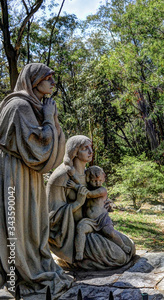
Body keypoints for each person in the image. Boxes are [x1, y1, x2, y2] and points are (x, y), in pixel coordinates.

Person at [0, 63, 73, 298]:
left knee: (31, 222)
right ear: (34, 81)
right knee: (18, 222)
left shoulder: (32, 105)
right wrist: (50, 118)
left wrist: (49, 116)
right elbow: (38, 148)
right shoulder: (19, 105)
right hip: (15, 174)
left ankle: (30, 262)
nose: (53, 82)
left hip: (27, 173)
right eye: (48, 78)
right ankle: (21, 271)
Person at [47, 135, 135, 270]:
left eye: (90, 148)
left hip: (98, 223)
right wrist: (77, 203)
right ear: (74, 152)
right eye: (84, 148)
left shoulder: (89, 174)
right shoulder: (61, 177)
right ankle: (79, 259)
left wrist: (104, 203)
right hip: (75, 234)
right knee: (120, 257)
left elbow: (97, 193)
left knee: (131, 247)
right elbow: (51, 218)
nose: (90, 152)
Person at [69, 166, 131, 261]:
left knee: (110, 233)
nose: (97, 183)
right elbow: (83, 187)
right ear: (88, 179)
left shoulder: (102, 190)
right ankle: (79, 252)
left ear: (103, 179)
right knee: (80, 228)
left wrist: (74, 186)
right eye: (94, 181)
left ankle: (122, 246)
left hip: (102, 219)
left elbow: (89, 194)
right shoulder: (85, 187)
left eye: (100, 180)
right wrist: (74, 177)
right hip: (89, 221)